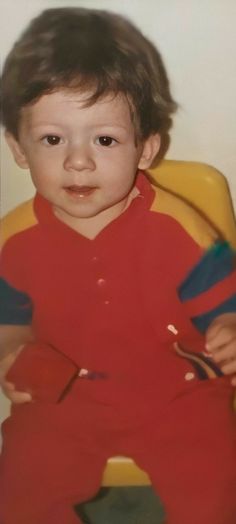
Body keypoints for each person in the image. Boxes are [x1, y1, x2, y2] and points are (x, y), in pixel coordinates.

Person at [0, 7, 236, 524]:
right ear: (18, 148)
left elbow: (225, 305)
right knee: (20, 492)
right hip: (63, 402)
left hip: (178, 394)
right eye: (52, 139)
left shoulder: (182, 230)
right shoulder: (12, 241)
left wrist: (227, 328)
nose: (77, 161)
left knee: (214, 491)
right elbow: (9, 322)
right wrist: (12, 352)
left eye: (104, 140)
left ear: (145, 148)